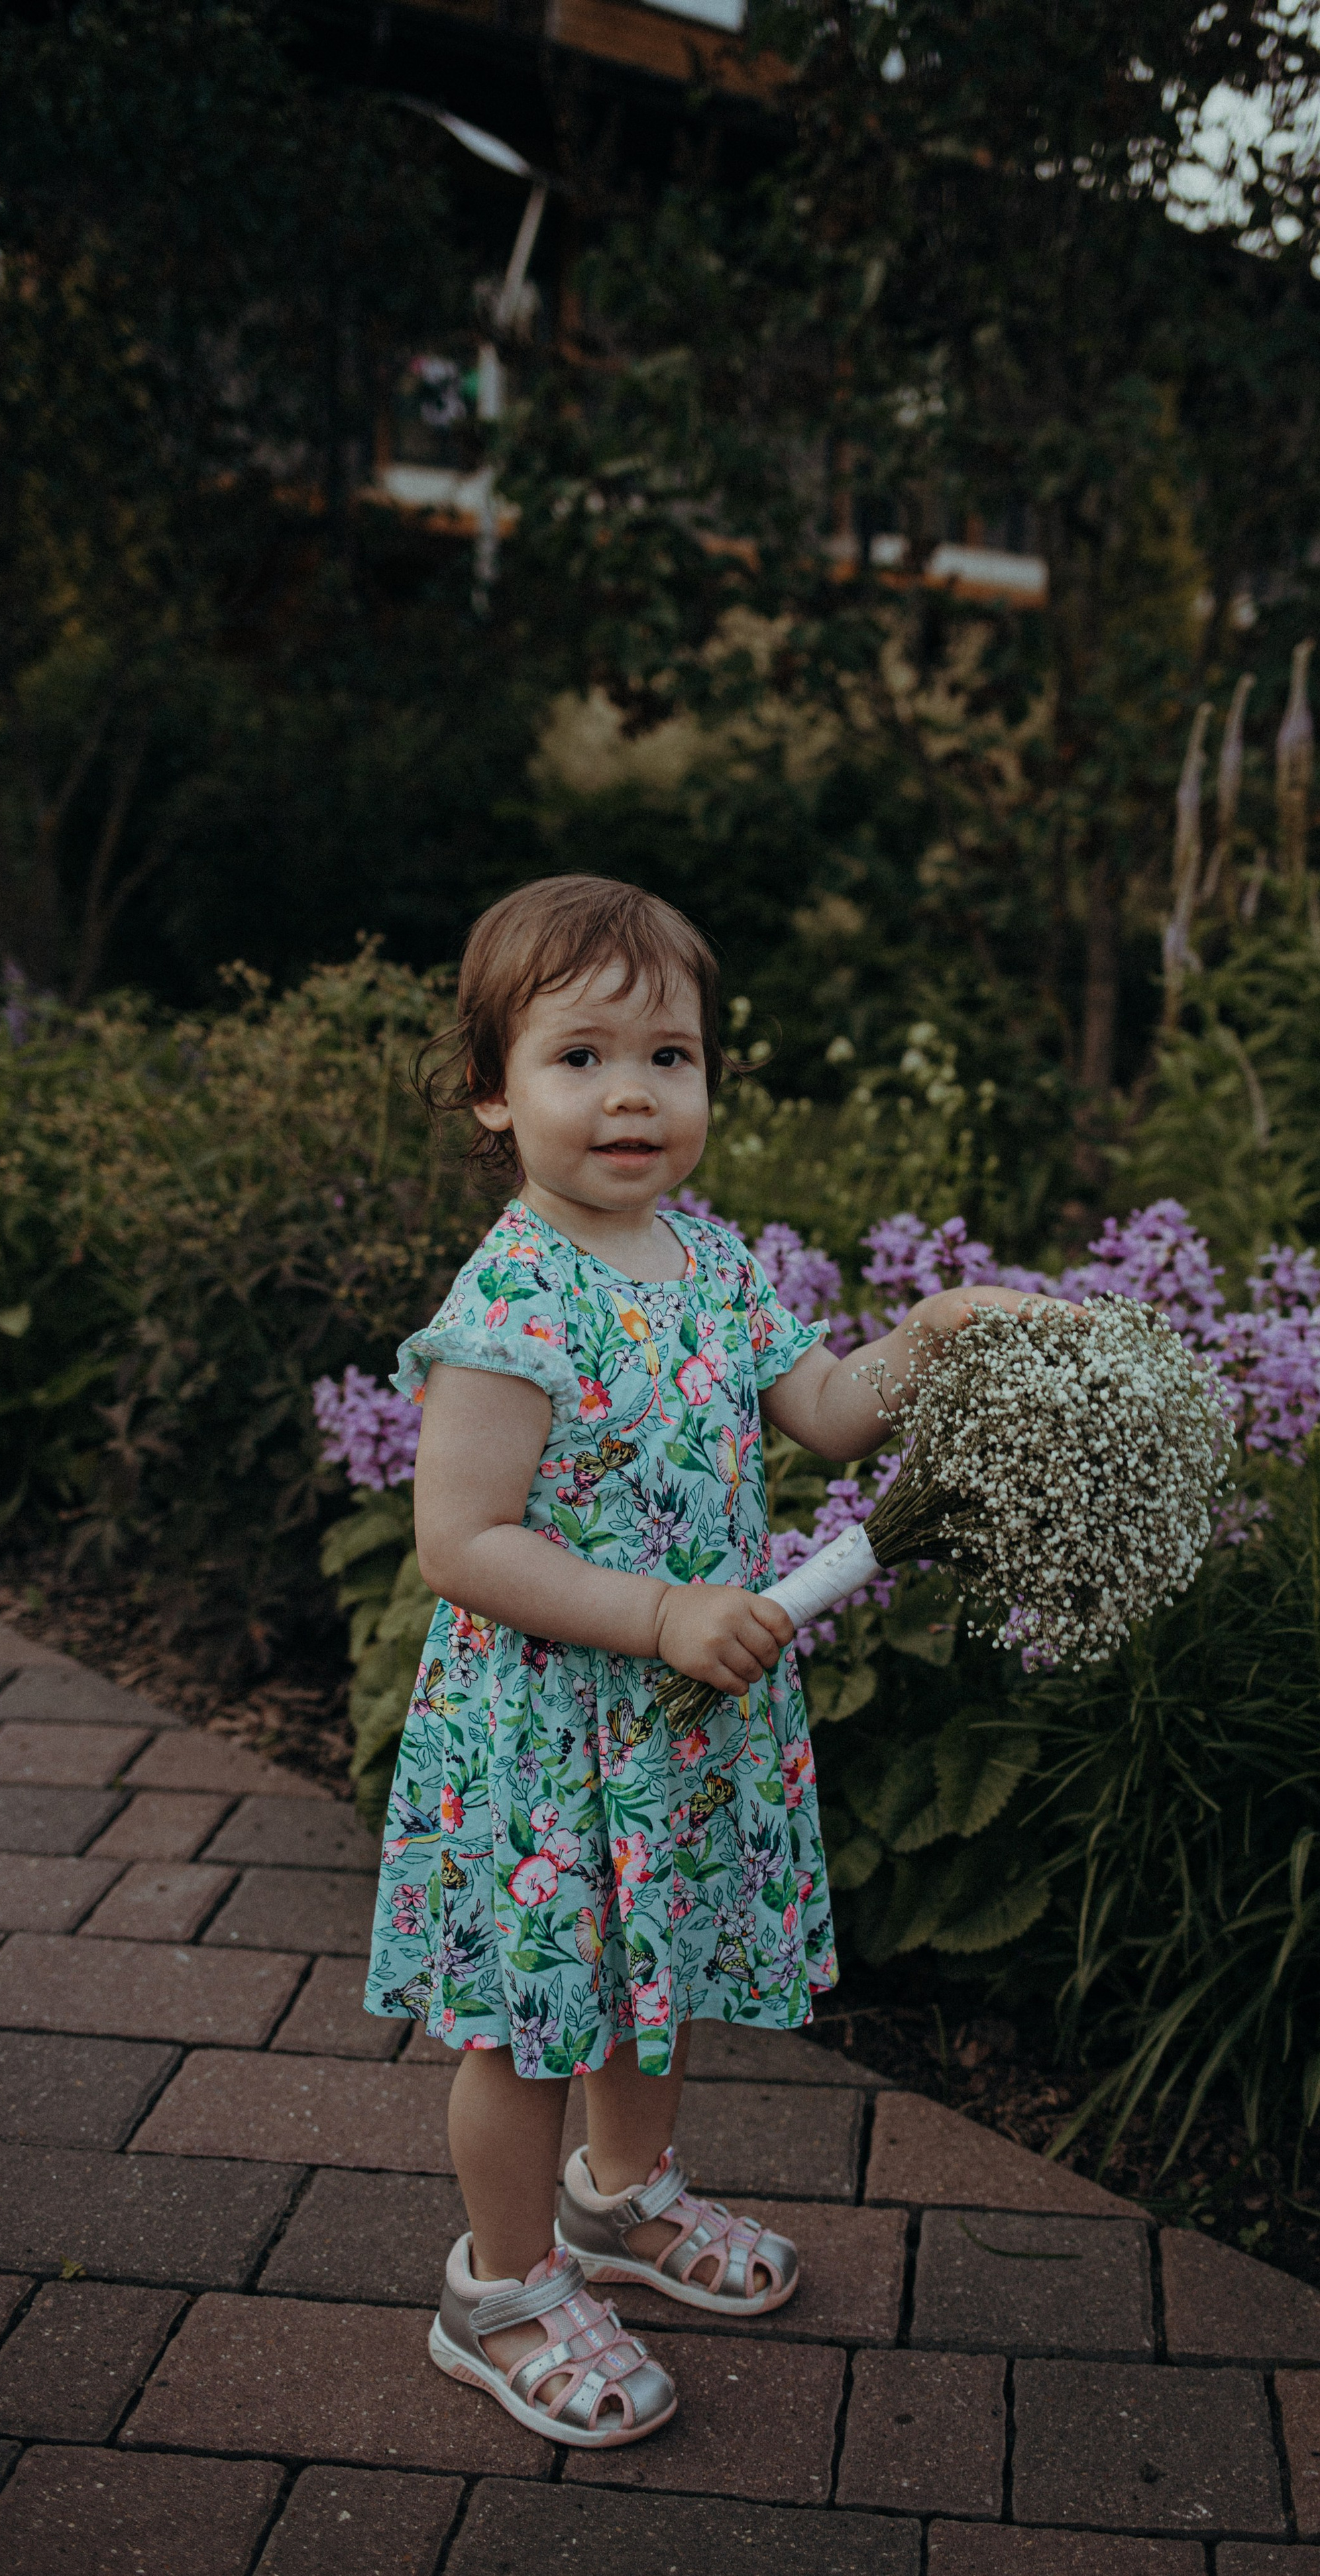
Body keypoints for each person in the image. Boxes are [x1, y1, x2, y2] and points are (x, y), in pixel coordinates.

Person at [364, 873, 1032, 2447]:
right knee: (534, 2019)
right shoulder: (510, 1304)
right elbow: (464, 1544)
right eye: (579, 1058)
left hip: (675, 1726)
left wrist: (929, 1337)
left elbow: (825, 1414)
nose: (630, 1094)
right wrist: (661, 1611)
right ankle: (503, 2286)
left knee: (646, 1986)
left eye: (668, 1056)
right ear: (490, 1093)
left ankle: (620, 2199)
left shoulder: (715, 1263)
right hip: (544, 1737)